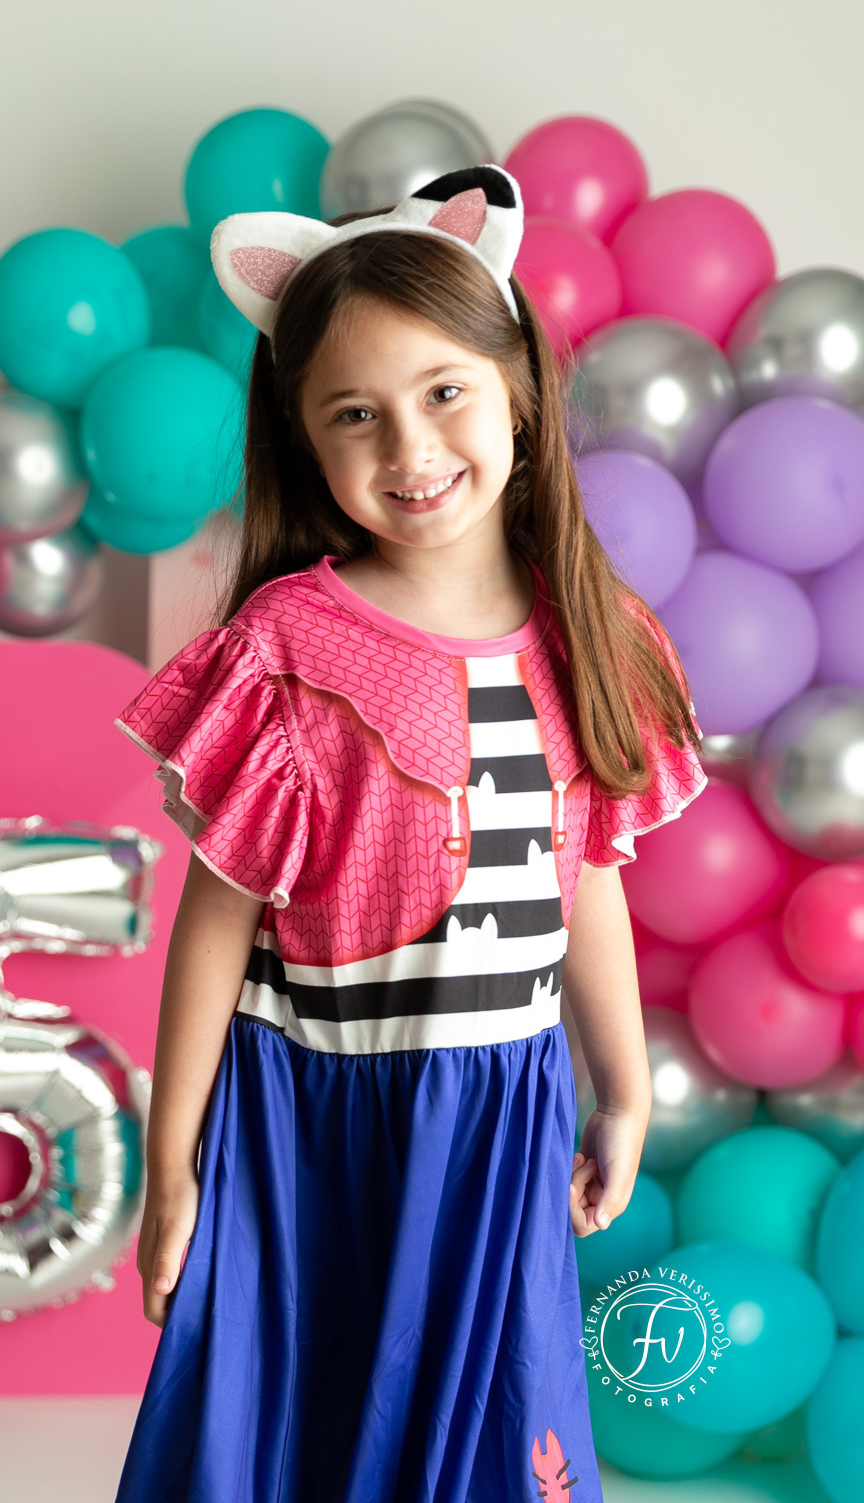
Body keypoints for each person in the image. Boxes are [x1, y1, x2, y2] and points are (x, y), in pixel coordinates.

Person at [114, 165, 707, 1503]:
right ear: (306, 441)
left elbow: (584, 884)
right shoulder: (286, 645)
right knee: (306, 1420)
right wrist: (172, 1168)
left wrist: (623, 1091)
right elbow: (217, 922)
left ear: (519, 387)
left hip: (500, 1110)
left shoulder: (594, 637)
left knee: (488, 1428)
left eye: (443, 392)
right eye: (356, 415)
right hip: (312, 1112)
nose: (410, 448)